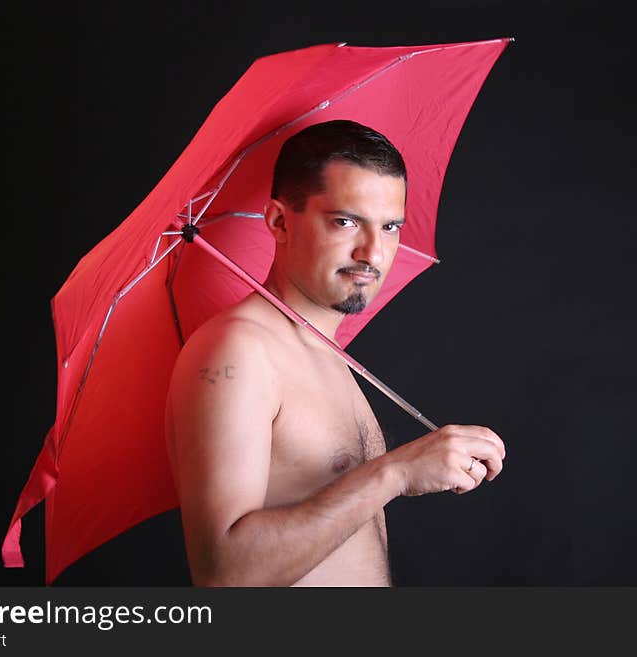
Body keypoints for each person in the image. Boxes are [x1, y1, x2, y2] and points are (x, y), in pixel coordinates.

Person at [164, 120, 505, 586]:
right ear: (279, 222)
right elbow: (226, 574)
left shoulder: (324, 350)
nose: (373, 253)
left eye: (389, 227)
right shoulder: (238, 353)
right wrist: (398, 472)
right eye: (346, 221)